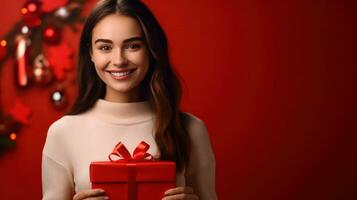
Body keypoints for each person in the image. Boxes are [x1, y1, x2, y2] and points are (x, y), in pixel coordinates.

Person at [41, 0, 216, 199]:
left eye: (133, 46)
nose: (119, 60)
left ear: (151, 48)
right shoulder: (63, 133)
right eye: (105, 48)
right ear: (91, 53)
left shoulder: (191, 129)